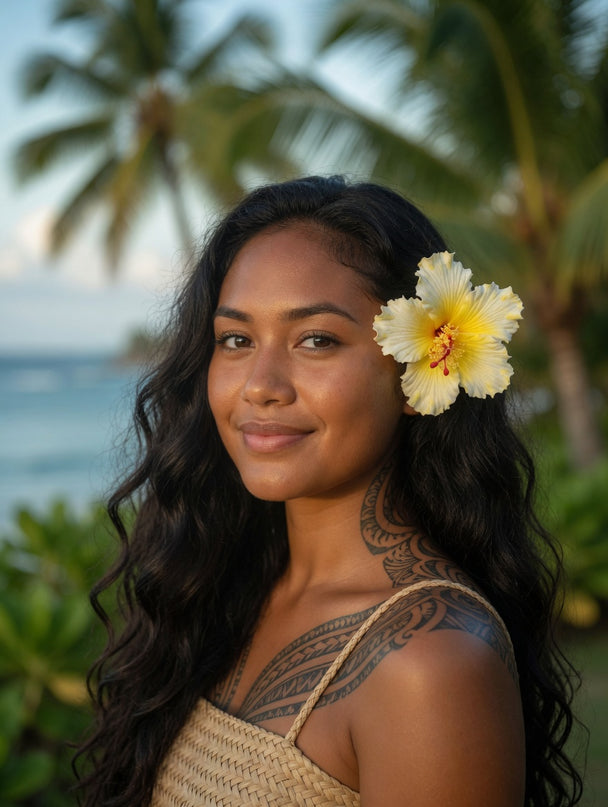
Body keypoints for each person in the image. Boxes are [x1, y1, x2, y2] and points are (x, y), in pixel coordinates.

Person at [75, 176, 583, 807]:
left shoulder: (430, 663)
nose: (260, 385)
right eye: (236, 339)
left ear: (423, 369)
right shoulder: (231, 586)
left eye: (316, 339)